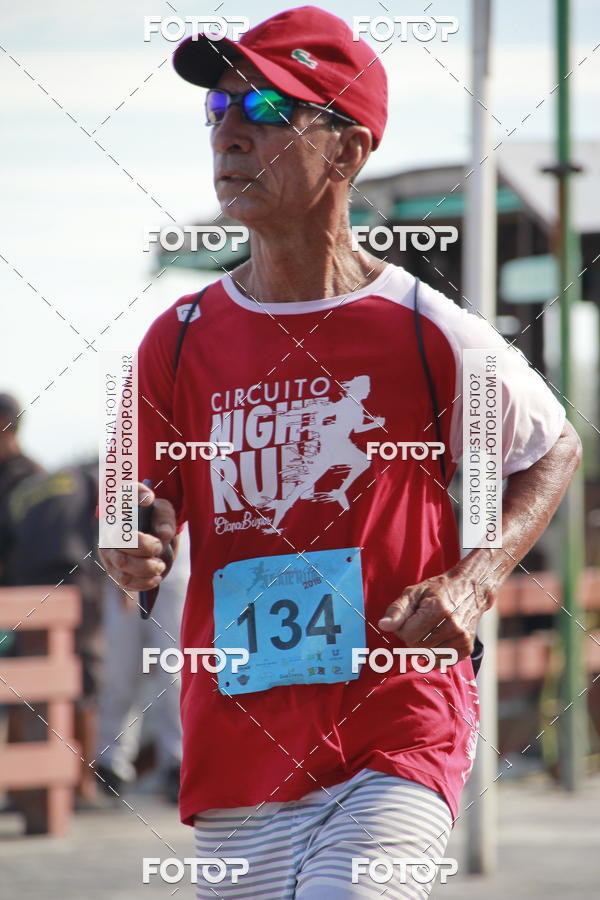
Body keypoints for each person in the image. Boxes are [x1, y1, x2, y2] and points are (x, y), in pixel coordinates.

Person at [100, 7, 582, 898]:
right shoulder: (174, 341)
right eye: (219, 111)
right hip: (241, 744)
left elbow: (553, 446)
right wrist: (134, 544)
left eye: (271, 112)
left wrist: (475, 578)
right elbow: (143, 503)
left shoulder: (428, 331)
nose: (233, 133)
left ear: (349, 151)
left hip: (397, 729)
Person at [95, 527, 189, 804]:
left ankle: (178, 761)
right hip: (125, 569)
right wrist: (120, 570)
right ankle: (112, 764)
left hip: (177, 572)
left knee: (174, 672)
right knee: (121, 671)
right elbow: (113, 504)